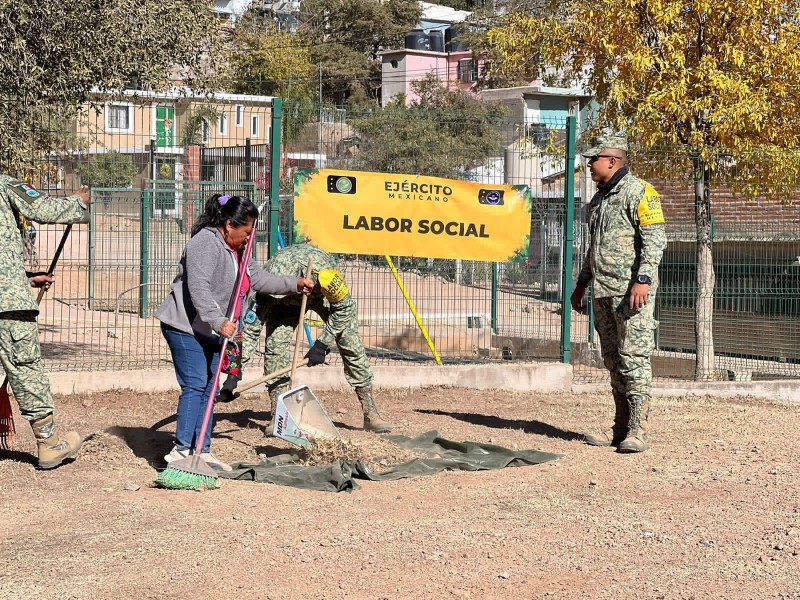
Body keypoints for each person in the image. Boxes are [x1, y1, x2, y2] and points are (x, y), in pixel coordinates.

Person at [155, 194, 314, 471]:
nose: (249, 237)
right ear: (229, 225)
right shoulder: (204, 243)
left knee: (211, 386)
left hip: (215, 330)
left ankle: (201, 451)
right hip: (185, 325)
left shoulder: (241, 250)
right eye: (247, 231)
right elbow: (199, 288)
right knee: (195, 383)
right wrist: (217, 320)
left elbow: (259, 279)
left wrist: (294, 284)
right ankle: (181, 451)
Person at [219, 243, 393, 433]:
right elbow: (250, 330)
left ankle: (371, 413)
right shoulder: (265, 286)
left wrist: (322, 343)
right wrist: (235, 371)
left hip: (321, 296)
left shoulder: (326, 275)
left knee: (349, 342)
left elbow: (345, 308)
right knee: (275, 346)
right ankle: (279, 416)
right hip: (286, 305)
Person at [571, 136, 667, 453]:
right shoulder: (598, 200)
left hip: (630, 295)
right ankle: (620, 429)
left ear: (612, 160)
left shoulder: (640, 192)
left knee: (634, 361)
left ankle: (638, 431)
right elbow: (593, 249)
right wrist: (582, 283)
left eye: (593, 158)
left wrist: (642, 280)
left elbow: (655, 241)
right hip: (602, 292)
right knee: (613, 361)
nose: (588, 164)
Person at [0, 176, 90, 469]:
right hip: (8, 305)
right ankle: (50, 444)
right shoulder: (4, 185)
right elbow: (43, 208)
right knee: (26, 368)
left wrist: (25, 278)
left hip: (9, 294)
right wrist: (78, 203)